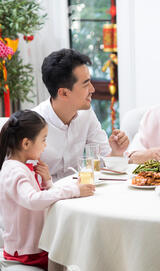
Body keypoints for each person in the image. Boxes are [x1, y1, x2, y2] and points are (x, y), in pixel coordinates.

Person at [0, 110, 95, 271]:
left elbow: (36, 197)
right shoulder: (14, 172)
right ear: (26, 143)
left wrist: (47, 181)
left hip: (32, 248)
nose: (45, 145)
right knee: (80, 259)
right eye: (43, 140)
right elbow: (33, 200)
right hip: (26, 252)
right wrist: (74, 190)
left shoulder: (20, 167)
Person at [33, 48, 130, 181]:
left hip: (80, 192)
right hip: (47, 197)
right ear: (64, 93)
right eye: (85, 85)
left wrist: (116, 152)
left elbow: (103, 165)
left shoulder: (86, 114)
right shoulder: (32, 125)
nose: (93, 89)